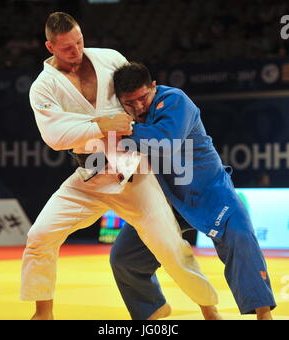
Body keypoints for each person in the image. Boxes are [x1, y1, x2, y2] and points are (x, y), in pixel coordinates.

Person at [21, 12, 220, 320]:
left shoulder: (109, 59)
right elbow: (56, 136)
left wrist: (102, 124)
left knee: (170, 248)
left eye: (79, 41)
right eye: (67, 48)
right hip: (91, 177)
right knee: (39, 236)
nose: (76, 51)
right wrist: (101, 124)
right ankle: (42, 312)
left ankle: (209, 309)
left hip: (134, 175)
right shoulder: (43, 87)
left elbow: (136, 102)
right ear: (50, 47)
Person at [111, 62, 277, 320]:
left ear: (154, 87)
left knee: (240, 237)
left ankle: (263, 315)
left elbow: (167, 141)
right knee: (124, 257)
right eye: (129, 103)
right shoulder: (120, 115)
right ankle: (151, 311)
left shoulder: (175, 100)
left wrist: (126, 131)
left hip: (210, 191)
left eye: (143, 98)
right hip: (167, 200)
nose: (138, 107)